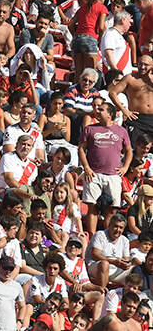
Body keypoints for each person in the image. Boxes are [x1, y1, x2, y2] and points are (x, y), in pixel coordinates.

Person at [79, 103, 132, 233]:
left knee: (112, 208)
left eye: (101, 109)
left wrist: (125, 167)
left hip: (113, 175)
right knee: (92, 208)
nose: (97, 111)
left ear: (110, 114)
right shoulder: (89, 129)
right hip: (93, 174)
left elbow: (129, 151)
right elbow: (81, 149)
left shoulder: (121, 131)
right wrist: (86, 167)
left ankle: (107, 238)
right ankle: (92, 238)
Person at [108, 55, 153, 143]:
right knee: (134, 146)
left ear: (152, 66)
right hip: (137, 118)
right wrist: (124, 110)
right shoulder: (130, 78)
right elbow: (112, 93)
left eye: (146, 65)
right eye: (140, 64)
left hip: (151, 118)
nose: (142, 67)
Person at [86, 214, 133, 289]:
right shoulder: (100, 235)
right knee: (104, 264)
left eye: (121, 227)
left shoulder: (125, 240)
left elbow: (126, 259)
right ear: (109, 225)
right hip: (96, 266)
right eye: (115, 226)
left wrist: (127, 264)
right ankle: (102, 292)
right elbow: (95, 255)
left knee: (137, 268)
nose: (118, 230)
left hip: (115, 269)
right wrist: (113, 261)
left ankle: (132, 294)